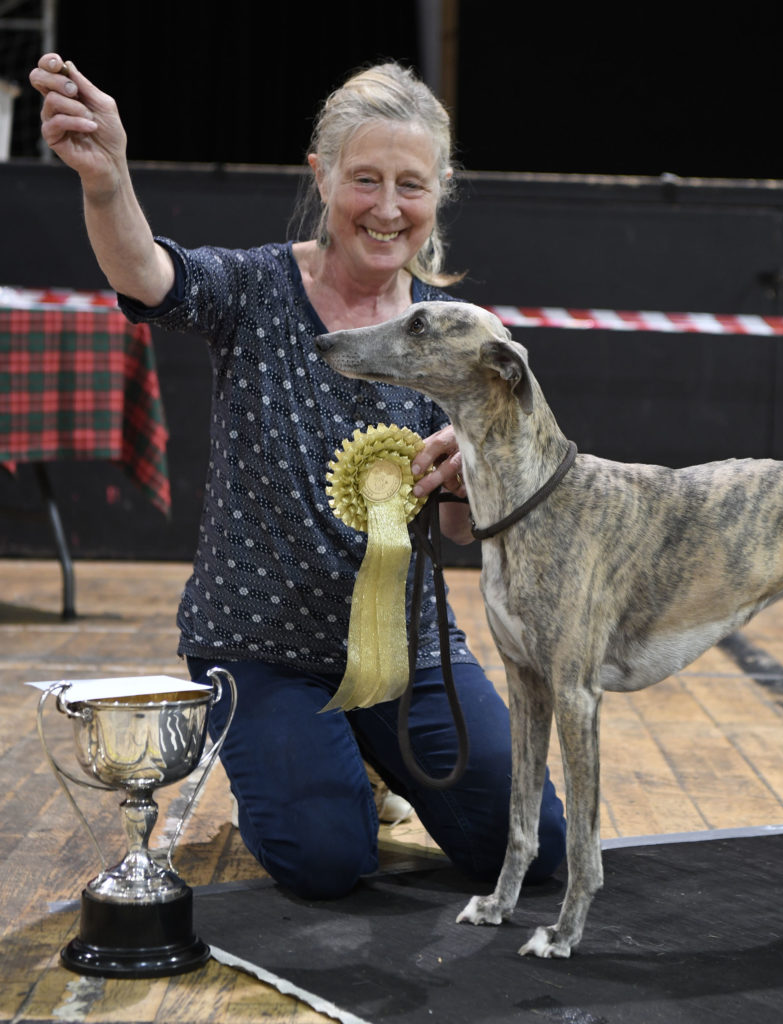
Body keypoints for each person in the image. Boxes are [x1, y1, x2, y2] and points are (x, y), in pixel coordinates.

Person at [30, 53, 566, 899]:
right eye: (364, 180)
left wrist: (475, 475)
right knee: (326, 862)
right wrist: (107, 180)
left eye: (411, 186)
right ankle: (298, 766)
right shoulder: (252, 288)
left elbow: (460, 531)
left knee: (537, 853)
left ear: (441, 191)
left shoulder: (453, 337)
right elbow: (147, 276)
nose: (387, 210)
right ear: (321, 176)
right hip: (262, 649)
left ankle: (366, 758)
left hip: (410, 651)